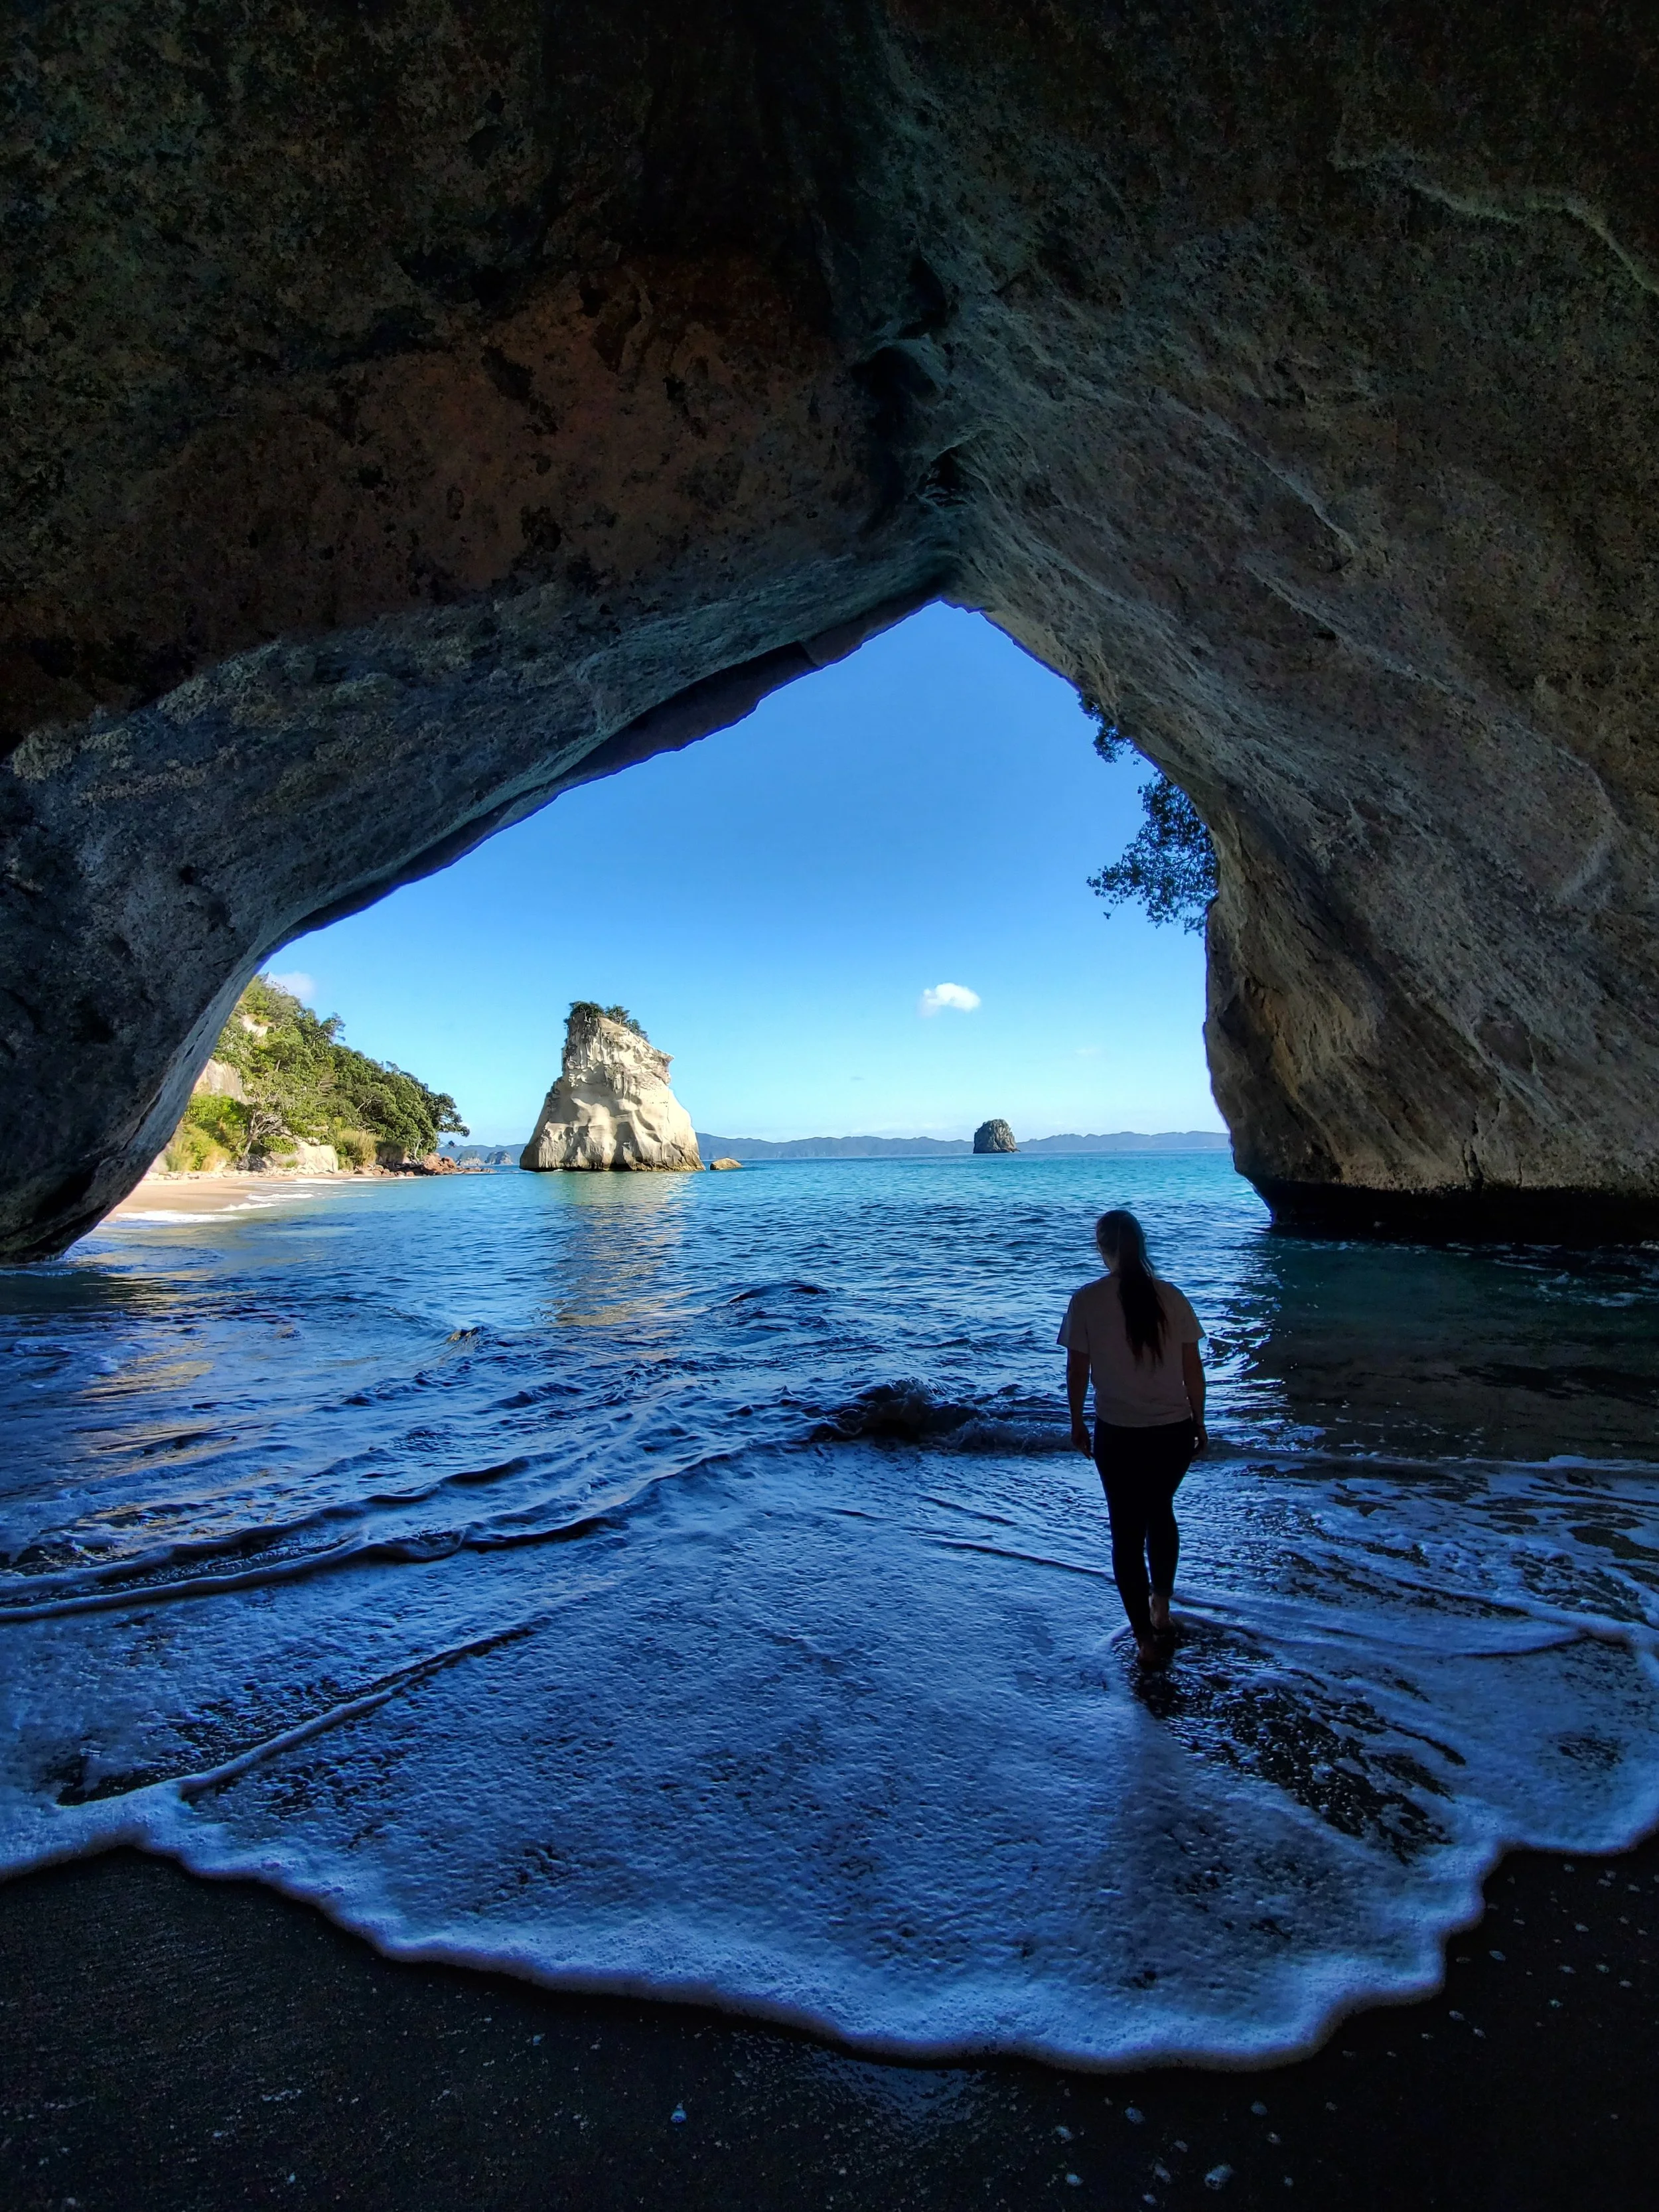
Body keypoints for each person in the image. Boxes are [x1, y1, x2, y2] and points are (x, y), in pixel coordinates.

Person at [1058, 1209, 1206, 1669]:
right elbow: (1192, 1371)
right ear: (1141, 1245)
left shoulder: (1087, 1300)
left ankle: (1144, 1639)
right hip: (1173, 1431)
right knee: (1160, 1511)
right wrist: (1199, 1422)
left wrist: (1076, 1421)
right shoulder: (1172, 1297)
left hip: (1118, 1434)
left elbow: (1078, 1370)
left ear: (1102, 1248)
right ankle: (1160, 1610)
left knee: (1126, 1530)